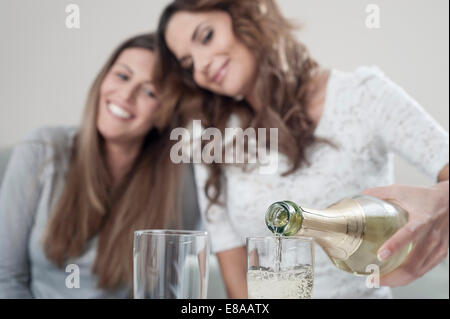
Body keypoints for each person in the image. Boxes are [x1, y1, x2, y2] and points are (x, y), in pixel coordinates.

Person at [153, 0, 449, 299]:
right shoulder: (211, 135)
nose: (201, 65)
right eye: (188, 64)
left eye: (206, 37)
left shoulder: (363, 95)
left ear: (247, 15)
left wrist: (440, 203)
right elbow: (233, 267)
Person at [0, 33, 185, 298]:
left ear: (163, 113)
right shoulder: (41, 150)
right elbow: (6, 277)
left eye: (149, 91)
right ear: (103, 79)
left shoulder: (172, 186)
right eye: (122, 76)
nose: (125, 95)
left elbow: (165, 290)